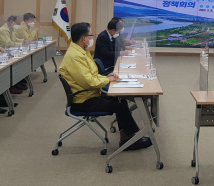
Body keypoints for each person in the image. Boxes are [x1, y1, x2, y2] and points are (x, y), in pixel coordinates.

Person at [59, 22, 152, 150]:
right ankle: (130, 140)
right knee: (119, 105)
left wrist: (107, 77)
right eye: (90, 35)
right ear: (83, 38)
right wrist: (107, 81)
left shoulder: (82, 51)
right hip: (83, 100)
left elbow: (92, 75)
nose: (92, 38)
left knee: (120, 99)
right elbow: (90, 81)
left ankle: (128, 138)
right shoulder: (75, 56)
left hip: (90, 93)